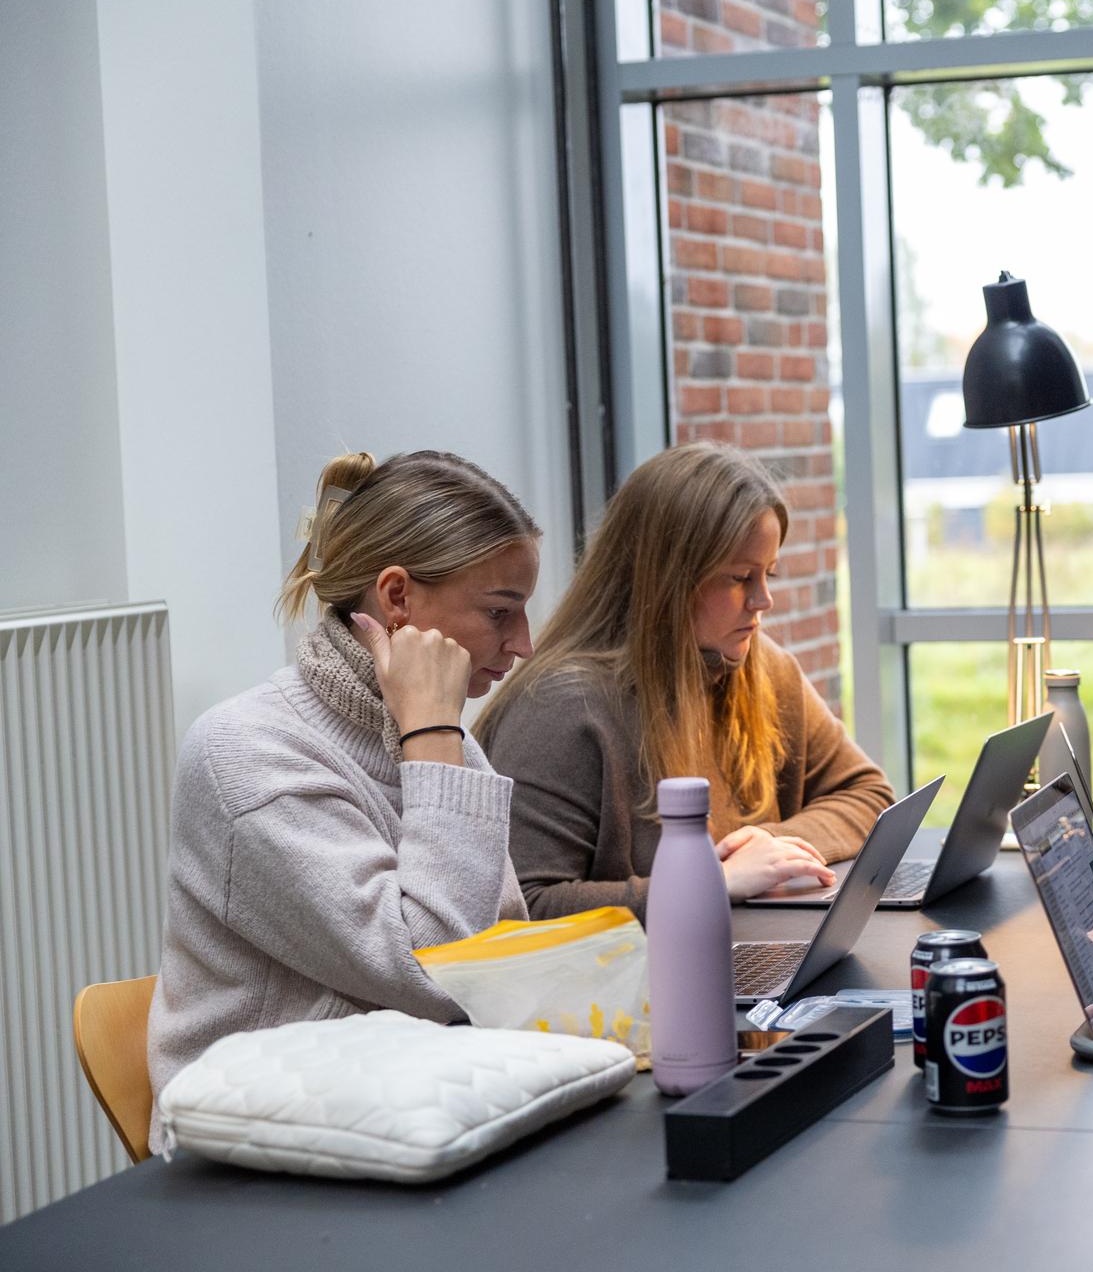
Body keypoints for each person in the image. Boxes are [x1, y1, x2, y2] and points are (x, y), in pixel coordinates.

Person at [147, 451, 541, 1148]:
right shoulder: (247, 755)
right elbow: (442, 972)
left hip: (411, 1109)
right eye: (500, 612)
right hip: (266, 1149)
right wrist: (432, 733)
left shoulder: (434, 737)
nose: (524, 644)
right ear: (397, 597)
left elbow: (503, 954)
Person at [477, 442, 893, 916]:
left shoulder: (762, 668)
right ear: (668, 579)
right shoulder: (562, 709)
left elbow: (870, 794)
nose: (763, 601)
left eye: (769, 575)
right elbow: (524, 909)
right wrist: (710, 881)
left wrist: (768, 846)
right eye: (740, 578)